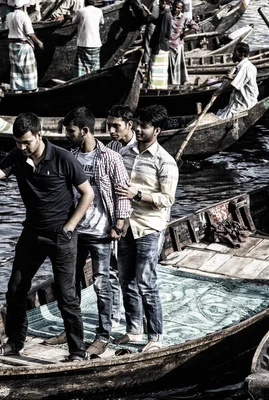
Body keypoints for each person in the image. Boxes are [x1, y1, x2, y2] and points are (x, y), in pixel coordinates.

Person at [0, 112, 94, 361]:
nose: (22, 147)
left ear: (39, 134)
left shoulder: (62, 158)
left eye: (27, 142)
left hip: (61, 237)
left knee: (67, 296)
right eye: (17, 142)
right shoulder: (17, 156)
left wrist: (69, 227)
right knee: (15, 289)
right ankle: (15, 343)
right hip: (32, 234)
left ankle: (77, 352)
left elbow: (87, 194)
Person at [44, 106, 130, 356]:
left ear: (85, 130)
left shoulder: (110, 158)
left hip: (101, 232)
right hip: (73, 232)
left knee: (102, 284)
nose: (66, 135)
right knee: (69, 284)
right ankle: (70, 331)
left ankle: (103, 335)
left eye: (70, 131)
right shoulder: (70, 157)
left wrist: (119, 224)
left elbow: (122, 194)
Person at [115, 104, 178, 352]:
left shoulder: (166, 161)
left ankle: (155, 336)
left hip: (149, 228)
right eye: (137, 124)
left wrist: (138, 194)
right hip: (126, 225)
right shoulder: (124, 152)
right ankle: (133, 330)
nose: (138, 129)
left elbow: (167, 199)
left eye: (145, 126)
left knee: (146, 282)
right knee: (126, 279)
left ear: (157, 130)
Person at [105, 104, 137, 325]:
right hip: (117, 217)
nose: (111, 131)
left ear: (129, 125)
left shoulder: (141, 149)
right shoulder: (111, 148)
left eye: (116, 126)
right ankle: (116, 316)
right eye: (109, 126)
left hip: (138, 218)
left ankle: (136, 318)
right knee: (113, 270)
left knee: (135, 274)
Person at [7, 0, 44, 92]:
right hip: (23, 45)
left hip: (12, 45)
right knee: (28, 68)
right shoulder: (24, 17)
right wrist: (39, 42)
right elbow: (30, 34)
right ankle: (29, 88)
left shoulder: (9, 16)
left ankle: (16, 88)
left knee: (16, 69)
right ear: (23, 6)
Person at [216, 42, 258, 119]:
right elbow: (241, 82)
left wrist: (219, 91)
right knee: (219, 113)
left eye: (234, 52)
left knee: (221, 118)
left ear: (241, 54)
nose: (232, 55)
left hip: (244, 104)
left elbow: (233, 86)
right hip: (240, 102)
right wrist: (230, 77)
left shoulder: (245, 68)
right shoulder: (247, 66)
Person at [143, 0, 172, 90]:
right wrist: (148, 12)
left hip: (161, 46)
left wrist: (157, 47)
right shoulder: (164, 14)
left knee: (156, 68)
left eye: (160, 3)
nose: (158, 4)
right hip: (161, 45)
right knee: (156, 68)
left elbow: (162, 33)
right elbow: (156, 21)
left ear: (164, 3)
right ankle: (155, 86)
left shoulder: (166, 15)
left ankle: (155, 88)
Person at [71, 0, 103, 78]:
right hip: (96, 43)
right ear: (94, 2)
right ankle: (93, 79)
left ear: (85, 2)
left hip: (84, 43)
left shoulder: (81, 11)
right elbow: (102, 22)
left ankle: (79, 80)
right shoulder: (99, 11)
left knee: (80, 65)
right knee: (94, 66)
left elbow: (73, 21)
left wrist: (69, 16)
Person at [168, 0, 196, 86]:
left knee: (178, 65)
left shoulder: (184, 18)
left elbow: (195, 26)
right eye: (175, 7)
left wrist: (185, 34)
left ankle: (177, 82)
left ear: (181, 9)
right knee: (169, 65)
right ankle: (169, 82)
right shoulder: (168, 16)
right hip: (168, 45)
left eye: (179, 8)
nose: (176, 9)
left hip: (178, 44)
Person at [140, 0, 158, 67]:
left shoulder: (152, 3)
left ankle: (146, 61)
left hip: (152, 24)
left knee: (148, 44)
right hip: (157, 25)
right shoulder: (160, 4)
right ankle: (150, 62)